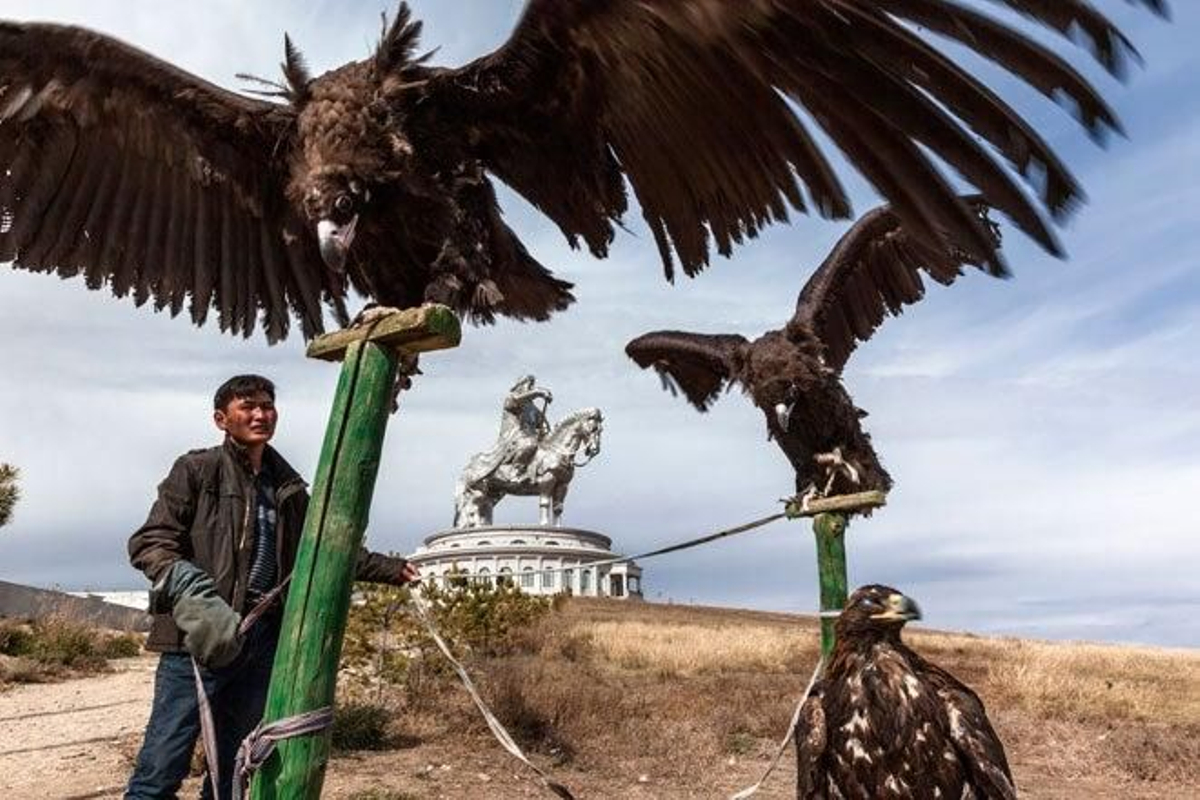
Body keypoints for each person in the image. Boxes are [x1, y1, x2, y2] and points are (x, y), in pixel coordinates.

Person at [125, 374, 418, 799]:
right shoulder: (197, 470)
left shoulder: (289, 487)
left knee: (238, 765)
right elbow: (151, 541)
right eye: (248, 407)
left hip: (260, 642)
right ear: (221, 419)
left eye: (267, 405)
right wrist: (193, 592)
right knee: (162, 764)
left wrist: (394, 569)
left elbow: (322, 552)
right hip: (198, 640)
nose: (260, 414)